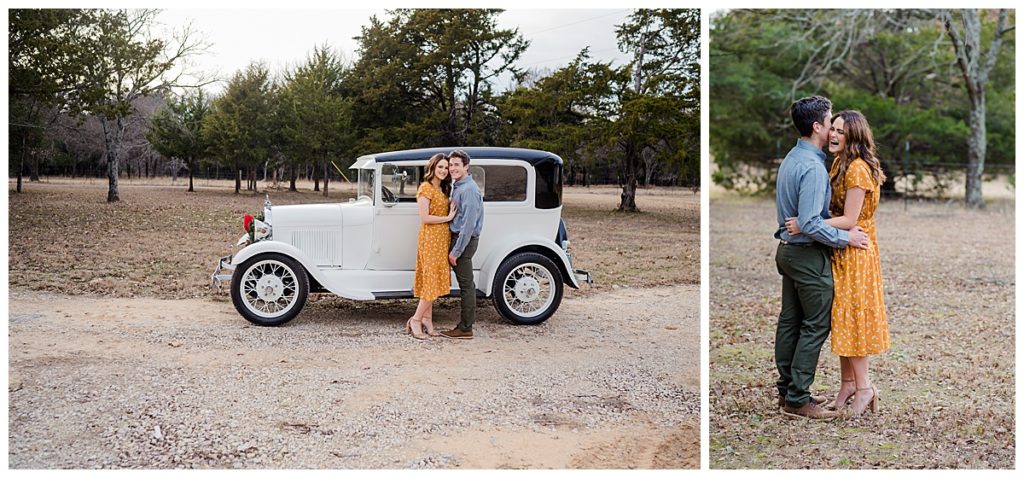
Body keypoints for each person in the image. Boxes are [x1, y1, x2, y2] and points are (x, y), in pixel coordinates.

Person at [785, 110, 889, 417]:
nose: (834, 135)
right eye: (834, 129)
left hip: (855, 247)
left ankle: (865, 387)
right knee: (844, 318)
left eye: (841, 132)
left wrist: (806, 224)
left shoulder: (857, 168)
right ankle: (847, 385)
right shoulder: (839, 163)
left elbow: (850, 219)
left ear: (854, 137)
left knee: (854, 318)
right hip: (841, 248)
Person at [773, 95, 870, 420]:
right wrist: (846, 238)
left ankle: (787, 390)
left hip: (787, 251)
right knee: (814, 325)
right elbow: (811, 223)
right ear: (817, 126)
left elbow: (807, 219)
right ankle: (798, 399)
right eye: (830, 122)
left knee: (790, 322)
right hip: (806, 256)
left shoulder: (791, 158)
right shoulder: (813, 168)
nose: (832, 129)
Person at [406, 153, 457, 340]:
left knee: (434, 280)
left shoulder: (443, 189)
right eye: (440, 167)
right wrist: (448, 218)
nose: (443, 171)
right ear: (433, 168)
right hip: (430, 239)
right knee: (431, 281)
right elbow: (425, 217)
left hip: (442, 240)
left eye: (446, 167)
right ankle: (416, 319)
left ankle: (428, 320)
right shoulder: (425, 188)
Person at [439, 149, 483, 340]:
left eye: (457, 164)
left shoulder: (469, 190)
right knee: (465, 283)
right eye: (451, 165)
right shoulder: (459, 185)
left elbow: (468, 226)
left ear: (466, 166)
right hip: (457, 238)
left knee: (466, 285)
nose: (453, 168)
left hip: (463, 241)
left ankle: (466, 327)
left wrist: (456, 252)